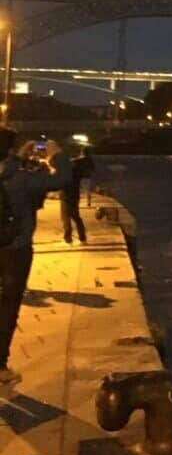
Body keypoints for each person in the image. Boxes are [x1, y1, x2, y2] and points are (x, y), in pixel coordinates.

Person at [0, 128, 71, 390]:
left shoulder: (16, 173)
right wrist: (57, 155)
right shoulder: (22, 179)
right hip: (16, 249)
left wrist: (16, 158)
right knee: (8, 303)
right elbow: (62, 180)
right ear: (10, 150)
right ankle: (0, 366)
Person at [63, 146, 93, 243]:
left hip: (68, 193)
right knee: (72, 215)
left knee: (69, 215)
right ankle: (77, 237)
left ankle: (73, 237)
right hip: (73, 193)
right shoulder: (80, 166)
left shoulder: (74, 166)